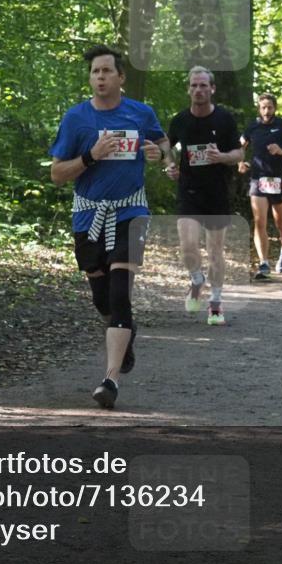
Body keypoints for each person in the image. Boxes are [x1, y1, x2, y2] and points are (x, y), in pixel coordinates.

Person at [50, 44, 171, 409]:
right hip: (89, 215)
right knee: (102, 299)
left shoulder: (140, 113)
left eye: (106, 71)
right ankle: (125, 333)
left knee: (120, 293)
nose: (100, 77)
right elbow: (57, 174)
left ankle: (110, 379)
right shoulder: (76, 119)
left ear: (121, 77)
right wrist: (91, 156)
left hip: (131, 211)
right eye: (95, 72)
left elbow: (163, 143)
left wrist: (161, 155)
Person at [165, 67, 243, 326]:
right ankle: (197, 280)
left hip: (217, 193)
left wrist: (222, 157)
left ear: (212, 89)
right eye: (194, 85)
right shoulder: (180, 120)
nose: (198, 90)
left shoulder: (224, 119)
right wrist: (170, 165)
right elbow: (166, 146)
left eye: (203, 85)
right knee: (188, 246)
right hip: (189, 192)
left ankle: (216, 303)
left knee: (215, 251)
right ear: (188, 89)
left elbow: (239, 154)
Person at [239, 93, 282, 280]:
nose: (266, 111)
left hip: (278, 179)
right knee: (259, 221)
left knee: (280, 222)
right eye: (263, 107)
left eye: (270, 107)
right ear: (259, 108)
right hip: (258, 179)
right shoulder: (252, 126)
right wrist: (240, 162)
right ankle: (264, 263)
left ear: (275, 108)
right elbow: (240, 145)